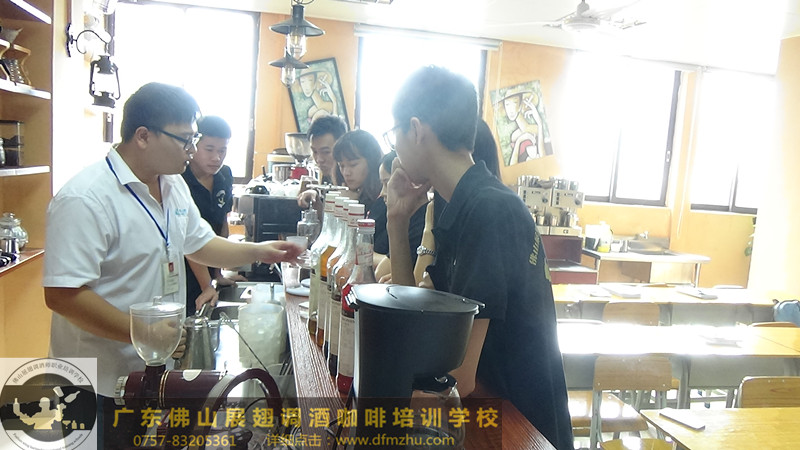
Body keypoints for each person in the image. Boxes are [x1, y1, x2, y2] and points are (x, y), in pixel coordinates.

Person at [42, 82, 303, 399]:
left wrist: (259, 251)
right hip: (96, 381)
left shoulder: (172, 184)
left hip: (155, 372)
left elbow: (200, 244)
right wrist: (141, 332)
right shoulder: (85, 198)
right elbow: (62, 295)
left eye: (194, 138)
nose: (191, 149)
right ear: (143, 136)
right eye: (184, 139)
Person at [384, 66, 573, 449]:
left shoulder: (489, 211)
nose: (395, 147)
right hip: (485, 416)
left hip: (519, 428)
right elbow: (414, 321)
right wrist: (396, 220)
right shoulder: (457, 203)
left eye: (394, 133)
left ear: (416, 130)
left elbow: (459, 378)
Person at [181, 115, 246, 316]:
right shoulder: (180, 179)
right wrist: (206, 285)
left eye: (222, 150)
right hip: (184, 269)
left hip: (208, 269)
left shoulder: (224, 175)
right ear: (193, 145)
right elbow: (188, 239)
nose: (216, 157)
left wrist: (218, 274)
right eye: (209, 149)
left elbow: (222, 223)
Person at [297, 115, 347, 209]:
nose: (319, 159)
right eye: (315, 152)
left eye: (326, 152)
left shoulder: (350, 180)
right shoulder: (324, 177)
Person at [332, 129, 383, 214]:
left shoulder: (382, 199)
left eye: (353, 165)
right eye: (341, 166)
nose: (346, 173)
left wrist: (350, 206)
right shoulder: (344, 192)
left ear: (371, 162)